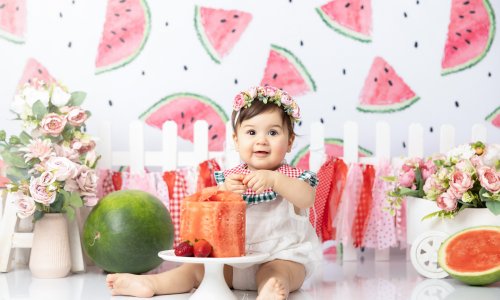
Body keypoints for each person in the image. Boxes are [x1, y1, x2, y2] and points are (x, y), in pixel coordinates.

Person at [106, 86, 322, 299]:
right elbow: (210, 210)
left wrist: (275, 180)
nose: (261, 140)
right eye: (251, 132)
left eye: (273, 132)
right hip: (231, 262)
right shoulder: (231, 178)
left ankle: (271, 289)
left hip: (279, 257)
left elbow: (306, 198)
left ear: (290, 141)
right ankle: (151, 283)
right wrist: (224, 191)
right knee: (194, 272)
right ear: (236, 141)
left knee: (278, 273)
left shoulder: (292, 178)